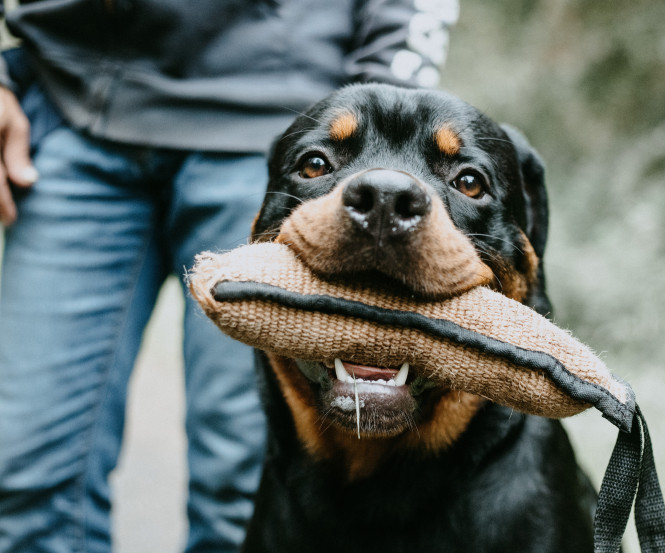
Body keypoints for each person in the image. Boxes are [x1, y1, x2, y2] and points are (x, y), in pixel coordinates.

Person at [0, 1, 458, 551]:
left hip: (278, 136)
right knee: (28, 482)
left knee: (244, 491)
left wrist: (370, 143)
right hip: (70, 108)